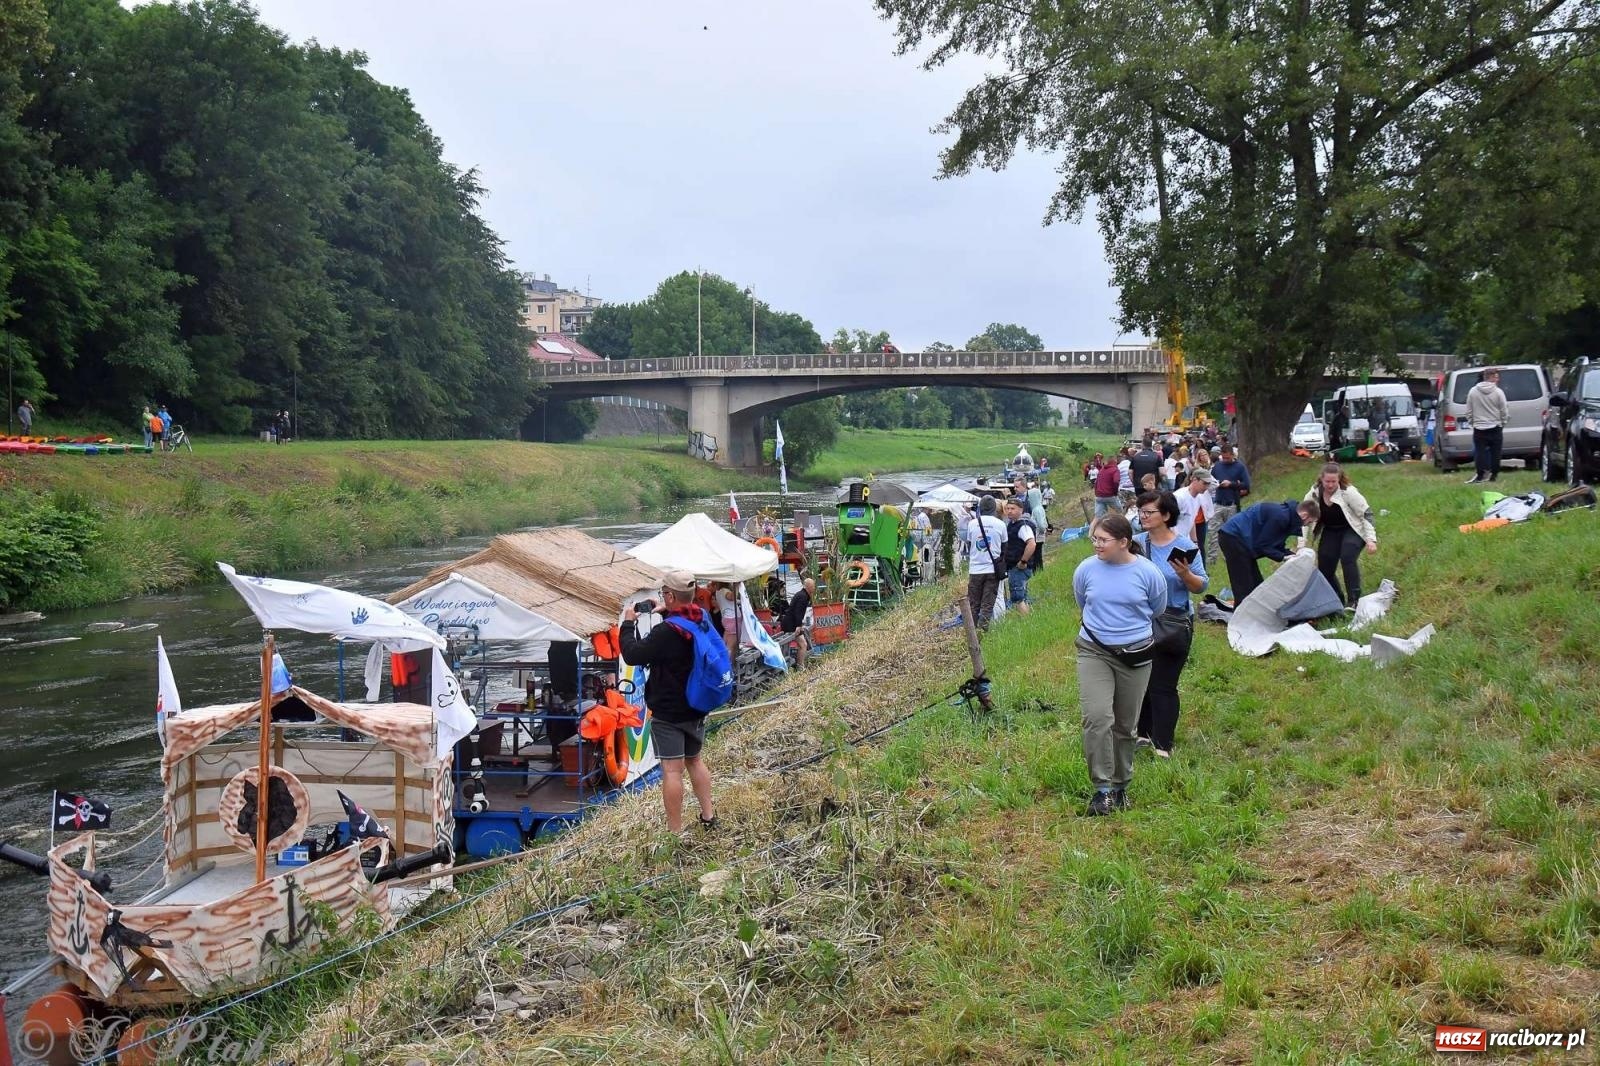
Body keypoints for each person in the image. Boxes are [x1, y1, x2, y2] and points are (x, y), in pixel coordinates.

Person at [1073, 514, 1168, 816]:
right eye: (1095, 539)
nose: (1097, 544)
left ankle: (1120, 786)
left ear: (1124, 542)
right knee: (1097, 718)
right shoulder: (1086, 569)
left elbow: (1158, 608)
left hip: (1135, 656)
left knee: (1125, 725)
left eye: (1103, 540)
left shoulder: (1148, 573)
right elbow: (1082, 601)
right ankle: (1101, 790)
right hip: (1094, 651)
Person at [619, 570, 716, 833]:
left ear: (671, 596)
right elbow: (682, 635)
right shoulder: (701, 618)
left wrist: (628, 624)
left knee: (672, 771)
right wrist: (667, 611)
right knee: (695, 760)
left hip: (669, 711)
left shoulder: (665, 632)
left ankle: (675, 831)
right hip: (696, 705)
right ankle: (708, 816)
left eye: (664, 594)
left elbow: (632, 654)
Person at [1132, 492, 1208, 758]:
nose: (1143, 516)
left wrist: (1185, 574)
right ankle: (1143, 734)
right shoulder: (1136, 543)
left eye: (1149, 512)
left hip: (1174, 623)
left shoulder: (1184, 546)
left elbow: (1201, 586)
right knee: (1142, 680)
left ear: (1166, 515)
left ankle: (1163, 744)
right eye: (1140, 511)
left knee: (1163, 684)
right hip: (1140, 623)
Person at [1303, 462, 1378, 610]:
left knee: (1347, 557)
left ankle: (1353, 600)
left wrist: (1371, 539)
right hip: (1331, 530)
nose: (1330, 485)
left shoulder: (1348, 492)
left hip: (1353, 529)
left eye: (1334, 481)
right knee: (1325, 565)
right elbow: (1304, 517)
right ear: (1321, 479)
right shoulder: (1314, 494)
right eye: (1327, 481)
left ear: (1339, 479)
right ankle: (1336, 601)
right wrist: (1302, 542)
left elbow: (1366, 514)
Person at [1217, 499, 1319, 606]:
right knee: (1244, 586)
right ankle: (1241, 614)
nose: (1306, 525)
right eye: (1309, 522)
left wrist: (1292, 555)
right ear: (1304, 515)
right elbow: (1263, 546)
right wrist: (1283, 557)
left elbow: (1275, 544)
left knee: (1256, 585)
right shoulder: (1281, 517)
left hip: (1243, 540)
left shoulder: (1287, 516)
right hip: (1233, 537)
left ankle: (1254, 611)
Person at [964, 495, 1007, 629]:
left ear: (980, 508)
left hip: (975, 570)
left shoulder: (972, 524)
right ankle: (983, 632)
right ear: (994, 509)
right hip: (992, 570)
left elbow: (969, 543)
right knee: (987, 605)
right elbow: (1004, 548)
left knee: (974, 605)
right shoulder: (1001, 525)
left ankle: (972, 633)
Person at [1205, 445, 1252, 567]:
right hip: (1218, 502)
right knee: (1213, 532)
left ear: (1232, 455)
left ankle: (1232, 558)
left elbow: (1246, 484)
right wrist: (1216, 484)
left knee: (1232, 533)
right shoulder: (1217, 466)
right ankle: (1212, 559)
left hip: (1232, 504)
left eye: (1227, 458)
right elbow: (1210, 481)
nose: (1225, 460)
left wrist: (1231, 484)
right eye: (1223, 457)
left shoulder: (1239, 467)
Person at [1466, 367, 1510, 484]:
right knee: (1496, 452)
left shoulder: (1473, 391)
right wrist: (1503, 422)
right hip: (1495, 426)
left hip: (1479, 427)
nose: (1498, 379)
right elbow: (1504, 410)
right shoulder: (1498, 392)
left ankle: (1481, 474)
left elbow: (1469, 410)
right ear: (1492, 377)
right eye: (1496, 377)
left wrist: (1472, 422)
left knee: (1480, 452)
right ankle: (1494, 475)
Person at [1001, 497, 1038, 616]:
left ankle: (1026, 621)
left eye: (1013, 508)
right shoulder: (1012, 525)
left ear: (1021, 510)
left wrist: (1023, 561)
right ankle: (1028, 619)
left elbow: (1031, 544)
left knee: (1018, 598)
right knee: (1022, 596)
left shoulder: (1023, 526)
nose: (1009, 511)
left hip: (1019, 567)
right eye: (1007, 508)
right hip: (1014, 566)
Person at [780, 577, 814, 666]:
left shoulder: (802, 594)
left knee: (801, 644)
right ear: (809, 587)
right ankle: (800, 666)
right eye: (813, 586)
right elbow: (798, 612)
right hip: (791, 625)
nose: (814, 588)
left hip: (790, 622)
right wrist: (798, 625)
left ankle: (799, 664)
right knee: (803, 645)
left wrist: (800, 625)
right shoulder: (803, 597)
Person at [713, 581, 738, 659]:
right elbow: (732, 597)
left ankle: (724, 661)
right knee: (731, 647)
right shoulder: (724, 590)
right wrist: (737, 585)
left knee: (725, 644)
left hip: (726, 618)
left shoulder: (718, 592)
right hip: (732, 618)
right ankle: (728, 663)